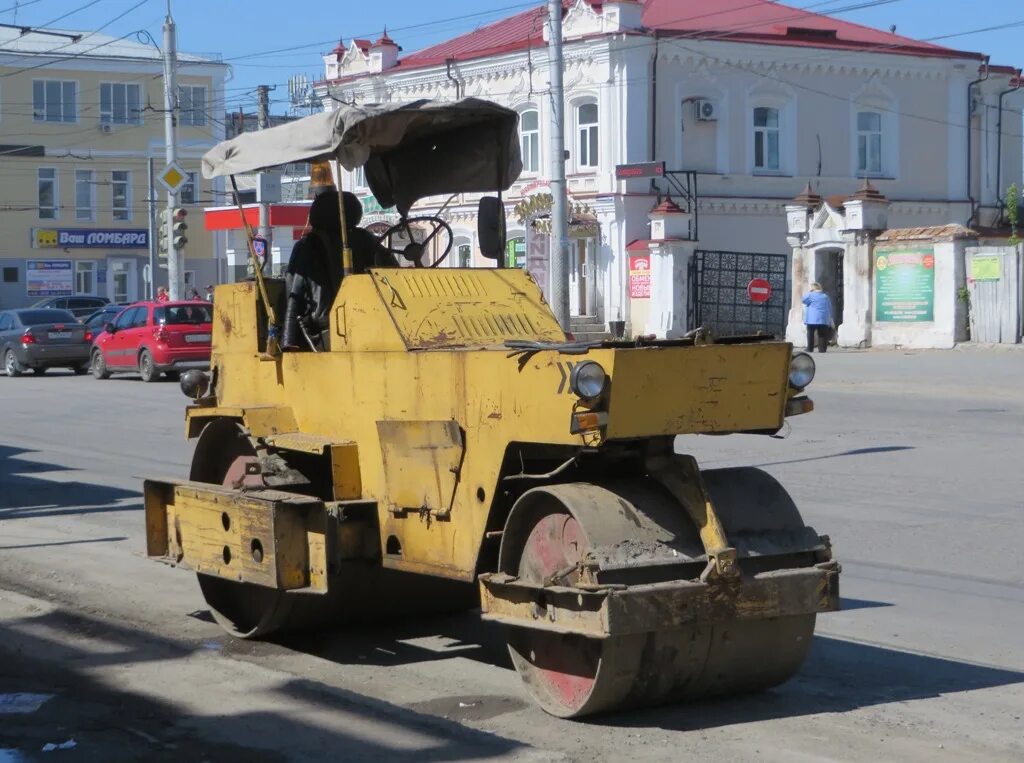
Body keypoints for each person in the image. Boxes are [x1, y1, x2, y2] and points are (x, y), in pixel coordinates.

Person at [282, 190, 397, 350]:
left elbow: (294, 294)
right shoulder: (367, 239)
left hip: (328, 331)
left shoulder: (308, 245)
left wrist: (288, 341)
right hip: (374, 323)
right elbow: (394, 275)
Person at [802, 282, 834, 353]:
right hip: (823, 318)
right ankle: (822, 349)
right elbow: (830, 307)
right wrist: (830, 316)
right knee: (822, 334)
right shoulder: (825, 296)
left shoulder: (810, 295)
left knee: (810, 334)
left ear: (812, 288)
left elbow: (803, 300)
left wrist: (809, 293)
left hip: (812, 319)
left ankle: (810, 348)